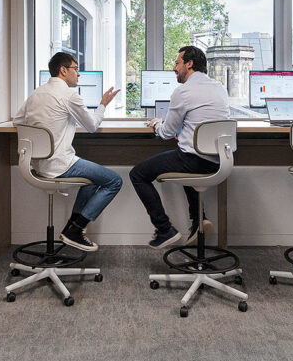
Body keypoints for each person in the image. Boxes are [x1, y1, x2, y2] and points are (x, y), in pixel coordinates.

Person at [13, 52, 122, 252]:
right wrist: (103, 104)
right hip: (59, 165)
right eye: (76, 69)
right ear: (63, 70)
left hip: (37, 165)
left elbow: (17, 122)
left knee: (91, 180)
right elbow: (92, 126)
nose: (79, 74)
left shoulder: (36, 94)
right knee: (114, 181)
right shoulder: (69, 95)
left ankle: (72, 230)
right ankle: (76, 229)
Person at [130, 46, 229, 249]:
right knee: (185, 150)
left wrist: (157, 124)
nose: (174, 68)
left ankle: (164, 229)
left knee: (138, 174)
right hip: (219, 161)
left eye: (177, 63)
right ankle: (198, 219)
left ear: (189, 64)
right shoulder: (219, 87)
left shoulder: (183, 91)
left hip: (195, 161)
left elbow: (166, 133)